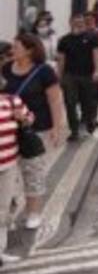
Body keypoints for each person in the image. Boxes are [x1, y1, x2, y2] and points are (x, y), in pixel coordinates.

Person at [3, 34, 66, 231]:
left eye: (16, 46)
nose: (12, 50)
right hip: (8, 132)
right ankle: (8, 216)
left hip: (36, 130)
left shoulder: (44, 71)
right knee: (8, 177)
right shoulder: (6, 69)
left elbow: (55, 101)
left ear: (29, 50)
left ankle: (33, 213)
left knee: (33, 172)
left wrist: (57, 128)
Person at [1, 84, 34, 266]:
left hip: (8, 164)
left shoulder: (12, 101)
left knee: (3, 208)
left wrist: (23, 118)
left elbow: (29, 118)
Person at [56, 15, 98, 139]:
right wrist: (59, 76)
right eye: (75, 22)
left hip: (87, 75)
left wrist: (97, 71)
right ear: (70, 23)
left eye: (81, 22)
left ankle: (89, 122)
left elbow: (96, 55)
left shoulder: (92, 38)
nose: (78, 24)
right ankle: (74, 130)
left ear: (84, 24)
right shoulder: (64, 40)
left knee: (87, 101)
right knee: (70, 103)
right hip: (70, 75)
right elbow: (61, 59)